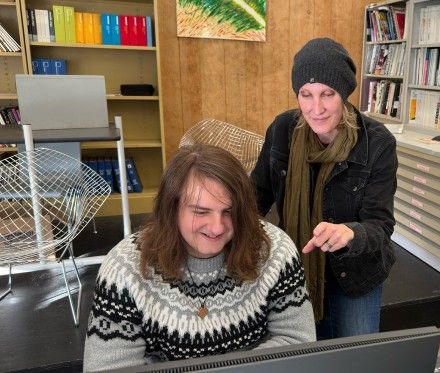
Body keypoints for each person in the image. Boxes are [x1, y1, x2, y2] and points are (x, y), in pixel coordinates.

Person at [83, 144, 316, 371]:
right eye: (201, 211)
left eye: (229, 211)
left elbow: (297, 340)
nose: (217, 227)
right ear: (171, 208)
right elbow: (108, 366)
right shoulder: (124, 267)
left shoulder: (275, 250)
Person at [251, 37, 398, 339]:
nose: (315, 108)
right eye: (306, 94)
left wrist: (351, 232)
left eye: (327, 94)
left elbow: (380, 227)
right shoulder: (282, 130)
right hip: (295, 266)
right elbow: (255, 195)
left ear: (343, 94)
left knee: (356, 359)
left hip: (356, 272)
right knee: (301, 353)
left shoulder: (377, 143)